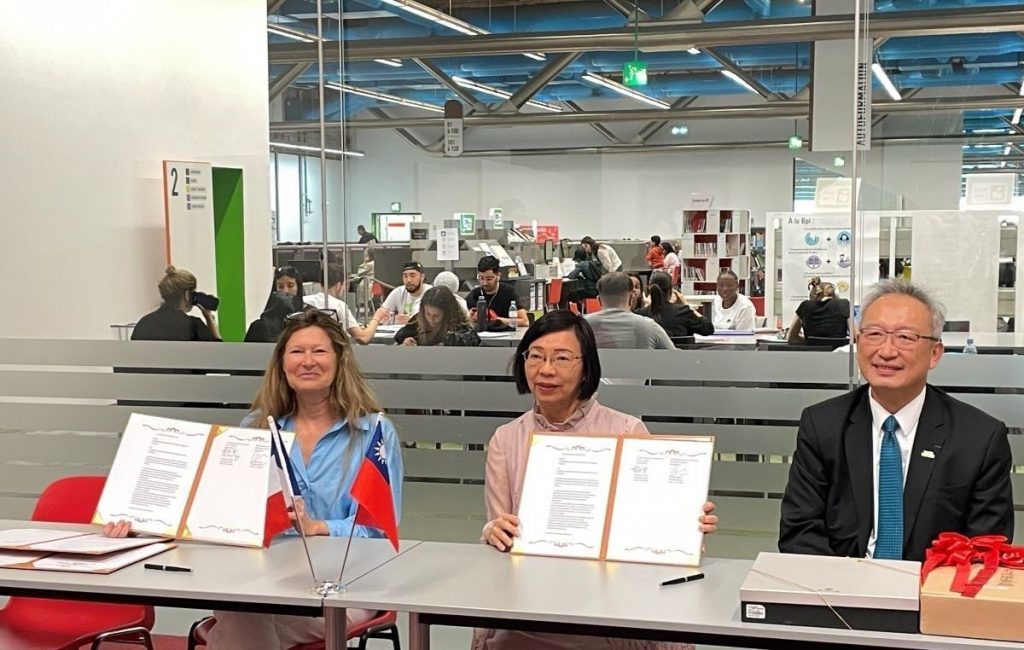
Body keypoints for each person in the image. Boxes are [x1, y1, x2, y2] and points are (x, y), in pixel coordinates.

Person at [108, 310, 404, 648]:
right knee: (245, 610)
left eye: (319, 351)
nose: (307, 361)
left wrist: (319, 527)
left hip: (347, 584)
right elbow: (222, 508)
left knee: (240, 617)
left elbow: (382, 527)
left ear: (340, 361)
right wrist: (146, 520)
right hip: (267, 579)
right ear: (281, 364)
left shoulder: (373, 434)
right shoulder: (256, 429)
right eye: (296, 352)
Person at [476, 310, 717, 650]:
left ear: (587, 366)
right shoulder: (506, 439)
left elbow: (652, 527)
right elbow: (499, 534)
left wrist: (683, 524)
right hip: (533, 602)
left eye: (562, 358)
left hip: (612, 604)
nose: (546, 370)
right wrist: (493, 531)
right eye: (536, 356)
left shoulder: (627, 431)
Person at [778, 280, 1013, 562]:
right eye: (874, 334)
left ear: (935, 353)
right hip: (840, 592)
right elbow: (799, 531)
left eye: (905, 338)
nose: (887, 351)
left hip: (932, 594)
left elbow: (984, 548)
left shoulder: (979, 437)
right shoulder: (822, 425)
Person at [585, 272, 675, 350]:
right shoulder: (650, 327)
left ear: (599, 300)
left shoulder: (583, 326)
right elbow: (676, 358)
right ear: (631, 298)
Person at [304, 263, 390, 344]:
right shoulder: (339, 306)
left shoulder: (305, 300)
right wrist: (377, 317)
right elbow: (363, 338)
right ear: (338, 285)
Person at [132, 266, 221, 341]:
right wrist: (209, 319)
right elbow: (218, 355)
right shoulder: (193, 326)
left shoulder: (144, 324)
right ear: (187, 295)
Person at [395, 287, 480, 347]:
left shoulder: (460, 327)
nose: (431, 319)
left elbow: (473, 342)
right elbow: (399, 338)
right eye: (428, 314)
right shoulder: (417, 321)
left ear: (447, 314)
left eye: (436, 315)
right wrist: (405, 343)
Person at [637, 271, 714, 339]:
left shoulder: (640, 315)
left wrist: (646, 305)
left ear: (650, 290)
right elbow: (708, 329)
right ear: (670, 291)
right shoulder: (682, 312)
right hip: (680, 355)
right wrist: (687, 305)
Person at [466, 256, 529, 328]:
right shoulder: (474, 295)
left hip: (506, 336)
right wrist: (469, 319)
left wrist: (496, 320)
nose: (484, 283)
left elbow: (525, 321)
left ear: (498, 276)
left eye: (489, 279)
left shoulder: (509, 292)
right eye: (481, 278)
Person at [787, 277, 850, 346]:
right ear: (835, 295)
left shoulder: (805, 306)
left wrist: (809, 341)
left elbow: (792, 338)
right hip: (839, 355)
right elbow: (855, 336)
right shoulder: (843, 304)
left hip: (812, 355)